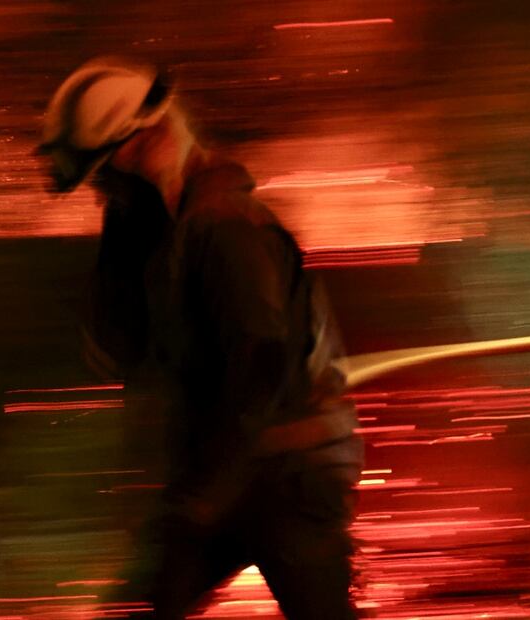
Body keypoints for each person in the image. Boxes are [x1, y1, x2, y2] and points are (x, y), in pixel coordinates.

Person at [37, 56, 365, 619]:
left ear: (145, 142)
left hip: (285, 477)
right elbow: (119, 348)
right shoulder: (172, 233)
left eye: (104, 173)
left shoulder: (226, 227)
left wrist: (204, 497)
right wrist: (124, 229)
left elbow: (261, 362)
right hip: (223, 478)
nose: (101, 189)